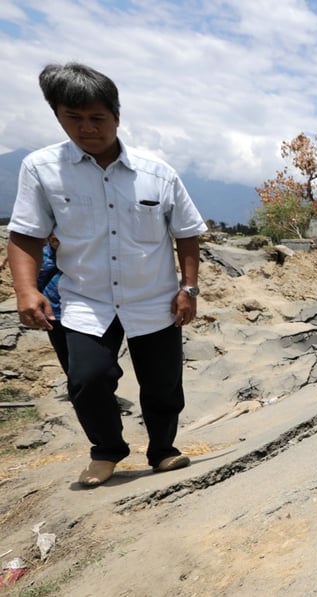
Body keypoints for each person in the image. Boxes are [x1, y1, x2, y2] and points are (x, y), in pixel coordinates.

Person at [6, 62, 207, 487]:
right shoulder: (42, 169)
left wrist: (188, 288)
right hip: (84, 297)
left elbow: (187, 234)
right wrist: (25, 290)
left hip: (154, 296)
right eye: (73, 118)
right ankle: (107, 450)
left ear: (117, 116)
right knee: (88, 379)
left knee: (162, 384)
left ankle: (163, 450)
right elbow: (26, 235)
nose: (87, 129)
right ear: (57, 116)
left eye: (97, 118)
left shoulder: (157, 173)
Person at [38, 234, 68, 374]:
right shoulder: (41, 257)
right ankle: (74, 387)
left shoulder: (78, 255)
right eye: (55, 240)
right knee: (63, 351)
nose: (58, 243)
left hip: (77, 311)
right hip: (53, 313)